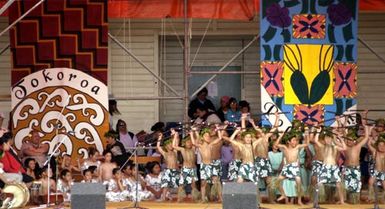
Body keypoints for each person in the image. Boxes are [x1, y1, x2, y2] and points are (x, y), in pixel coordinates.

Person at [249, 112, 279, 202]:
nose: (260, 131)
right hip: (258, 161)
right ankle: (257, 200)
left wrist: (277, 117)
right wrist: (253, 124)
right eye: (258, 130)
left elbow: (275, 128)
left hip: (266, 161)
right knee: (256, 181)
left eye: (261, 130)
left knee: (269, 180)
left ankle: (271, 199)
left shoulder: (266, 137)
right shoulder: (254, 139)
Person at [274, 130, 310, 205]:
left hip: (294, 167)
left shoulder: (297, 147)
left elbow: (307, 144)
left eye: (296, 140)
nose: (295, 142)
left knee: (298, 182)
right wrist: (281, 135)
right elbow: (276, 144)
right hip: (287, 167)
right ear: (288, 141)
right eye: (293, 140)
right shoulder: (285, 147)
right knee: (277, 181)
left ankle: (299, 200)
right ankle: (283, 194)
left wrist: (307, 135)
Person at [314, 126, 347, 205]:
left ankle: (342, 201)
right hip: (325, 167)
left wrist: (340, 139)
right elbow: (315, 140)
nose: (328, 140)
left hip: (334, 168)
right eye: (326, 139)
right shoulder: (323, 147)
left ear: (332, 139)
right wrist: (318, 131)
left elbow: (345, 148)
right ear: (324, 140)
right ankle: (315, 200)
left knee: (338, 184)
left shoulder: (335, 147)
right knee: (318, 183)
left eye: (329, 139)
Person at [190, 126, 223, 203]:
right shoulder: (200, 146)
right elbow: (194, 142)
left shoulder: (211, 144)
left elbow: (220, 138)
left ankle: (220, 198)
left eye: (208, 136)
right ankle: (202, 199)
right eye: (206, 136)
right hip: (204, 166)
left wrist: (218, 129)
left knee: (216, 181)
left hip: (212, 165)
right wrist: (192, 133)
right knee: (203, 183)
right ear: (202, 137)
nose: (208, 137)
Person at [343, 124, 372, 203]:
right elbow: (343, 136)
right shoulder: (345, 147)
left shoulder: (358, 146)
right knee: (346, 184)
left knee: (357, 184)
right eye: (348, 140)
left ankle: (356, 199)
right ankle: (346, 199)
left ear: (354, 141)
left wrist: (366, 128)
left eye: (351, 140)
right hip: (347, 168)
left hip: (356, 168)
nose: (349, 141)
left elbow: (366, 137)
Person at [171, 130, 200, 202]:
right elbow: (174, 146)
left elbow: (197, 141)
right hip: (185, 169)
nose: (189, 143)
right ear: (184, 143)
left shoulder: (193, 149)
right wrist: (175, 135)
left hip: (193, 168)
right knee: (182, 184)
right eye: (187, 142)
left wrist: (192, 134)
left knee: (193, 184)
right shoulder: (183, 149)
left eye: (190, 142)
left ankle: (194, 198)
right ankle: (179, 198)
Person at [157, 133, 179, 201]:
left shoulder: (175, 151)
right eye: (168, 144)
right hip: (168, 170)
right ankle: (163, 198)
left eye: (171, 144)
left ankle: (179, 198)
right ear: (165, 147)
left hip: (175, 170)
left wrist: (175, 136)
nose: (170, 145)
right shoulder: (165, 153)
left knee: (178, 185)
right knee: (165, 185)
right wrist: (159, 138)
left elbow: (176, 143)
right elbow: (158, 147)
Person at [367, 133, 385, 203]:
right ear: (377, 146)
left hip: (384, 172)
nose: (382, 147)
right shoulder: (375, 152)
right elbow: (368, 144)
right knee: (370, 182)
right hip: (376, 171)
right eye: (380, 145)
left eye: (383, 145)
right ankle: (371, 197)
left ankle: (383, 199)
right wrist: (371, 138)